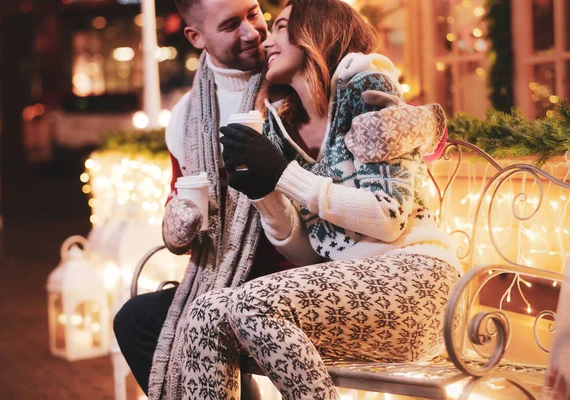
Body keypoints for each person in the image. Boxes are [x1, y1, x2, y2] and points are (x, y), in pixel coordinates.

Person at [177, 0, 463, 399]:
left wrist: (283, 175)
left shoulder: (364, 84)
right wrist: (264, 195)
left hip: (418, 284)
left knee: (249, 306)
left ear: (314, 32)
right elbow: (309, 256)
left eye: (279, 27)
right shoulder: (280, 125)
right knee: (204, 313)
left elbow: (389, 217)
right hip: (348, 299)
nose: (266, 42)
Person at [112, 0, 302, 398]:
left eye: (253, 13)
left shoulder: (292, 82)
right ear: (196, 38)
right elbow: (180, 205)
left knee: (208, 318)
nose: (252, 32)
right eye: (231, 25)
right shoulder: (185, 118)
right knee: (135, 319)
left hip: (297, 272)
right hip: (222, 279)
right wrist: (176, 226)